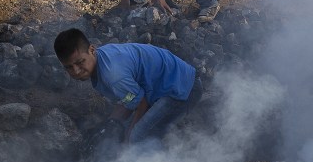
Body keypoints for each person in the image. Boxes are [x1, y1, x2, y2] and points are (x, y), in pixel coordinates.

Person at [54, 27, 203, 147]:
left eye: (80, 62)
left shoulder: (113, 75)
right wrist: (109, 124)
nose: (76, 71)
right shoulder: (101, 57)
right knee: (124, 127)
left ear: (92, 50)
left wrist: (127, 140)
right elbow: (129, 99)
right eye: (69, 67)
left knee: (137, 138)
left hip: (184, 90)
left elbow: (140, 102)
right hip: (167, 85)